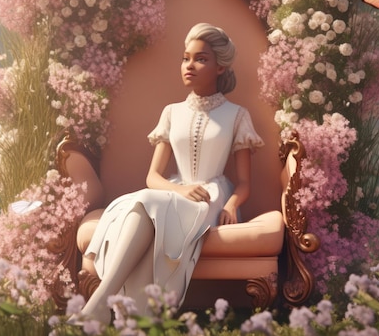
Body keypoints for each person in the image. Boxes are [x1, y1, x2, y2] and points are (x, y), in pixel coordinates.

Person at [78, 22, 265, 323]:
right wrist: (179, 190)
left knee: (151, 203)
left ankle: (99, 305)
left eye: (201, 58)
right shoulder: (171, 112)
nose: (189, 65)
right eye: (185, 57)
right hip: (175, 192)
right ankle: (108, 306)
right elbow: (153, 177)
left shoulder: (237, 115)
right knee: (141, 201)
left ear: (220, 67)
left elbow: (244, 183)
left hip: (212, 197)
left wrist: (231, 205)